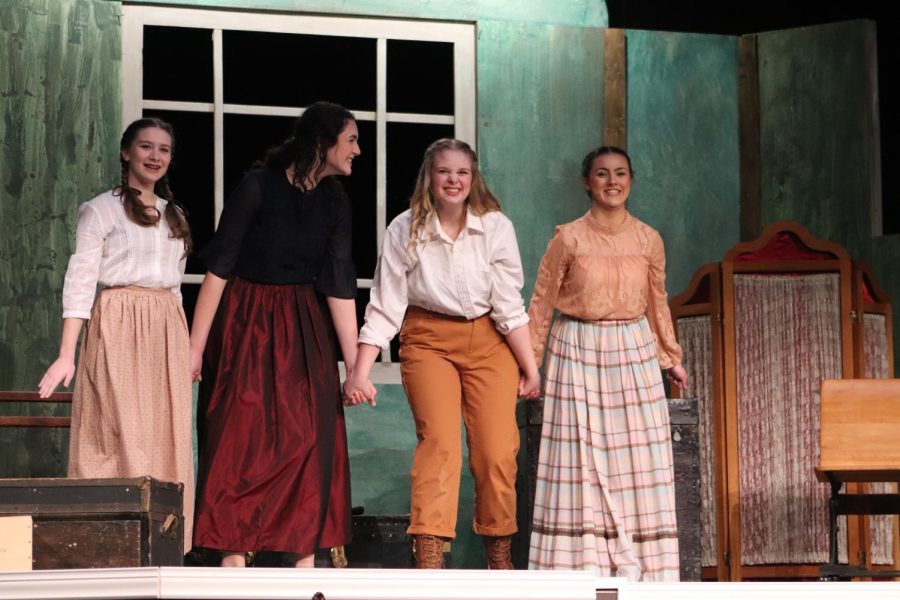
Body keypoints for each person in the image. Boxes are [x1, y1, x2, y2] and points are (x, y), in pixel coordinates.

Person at [343, 138, 541, 570]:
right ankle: (430, 551)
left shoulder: (495, 227)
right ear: (429, 178)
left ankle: (499, 551)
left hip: (489, 339)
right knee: (441, 444)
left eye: (462, 172)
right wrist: (359, 372)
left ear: (473, 179)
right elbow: (385, 304)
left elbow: (509, 303)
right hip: (428, 338)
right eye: (444, 171)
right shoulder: (405, 228)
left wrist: (530, 367)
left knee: (496, 450)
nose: (453, 180)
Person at [188, 101, 370, 568]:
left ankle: (300, 553)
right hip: (247, 317)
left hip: (302, 321)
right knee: (239, 432)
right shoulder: (259, 186)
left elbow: (339, 283)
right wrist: (195, 348)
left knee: (308, 435)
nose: (358, 150)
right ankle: (233, 552)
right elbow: (220, 266)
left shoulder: (335, 201)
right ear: (323, 141)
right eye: (351, 139)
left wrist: (354, 369)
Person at [527, 145, 688, 581]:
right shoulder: (569, 237)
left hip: (633, 347)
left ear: (631, 179)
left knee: (636, 458)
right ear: (587, 182)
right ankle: (578, 568)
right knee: (578, 456)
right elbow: (542, 301)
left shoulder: (647, 238)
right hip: (577, 347)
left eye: (620, 173)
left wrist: (670, 357)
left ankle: (644, 569)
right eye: (602, 174)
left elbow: (657, 301)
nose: (612, 181)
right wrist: (530, 363)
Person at [38, 118, 195, 553]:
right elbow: (81, 282)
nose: (155, 156)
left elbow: (176, 289)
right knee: (117, 430)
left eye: (163, 149)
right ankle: (107, 538)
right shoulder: (100, 209)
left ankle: (162, 542)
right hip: (119, 321)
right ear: (126, 153)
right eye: (146, 147)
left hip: (165, 326)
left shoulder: (174, 215)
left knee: (165, 433)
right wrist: (66, 354)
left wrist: (186, 352)